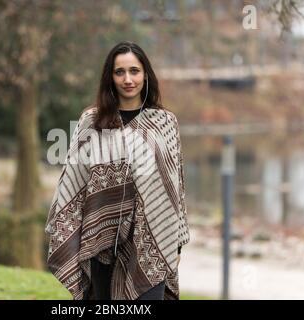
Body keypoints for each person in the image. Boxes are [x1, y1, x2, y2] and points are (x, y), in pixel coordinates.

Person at [45, 41, 190, 300]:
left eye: (134, 71)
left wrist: (175, 243)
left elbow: (175, 186)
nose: (128, 79)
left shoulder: (165, 122)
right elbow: (74, 180)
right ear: (110, 77)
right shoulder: (92, 120)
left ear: (145, 75)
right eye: (119, 72)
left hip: (151, 242)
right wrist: (72, 233)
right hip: (101, 240)